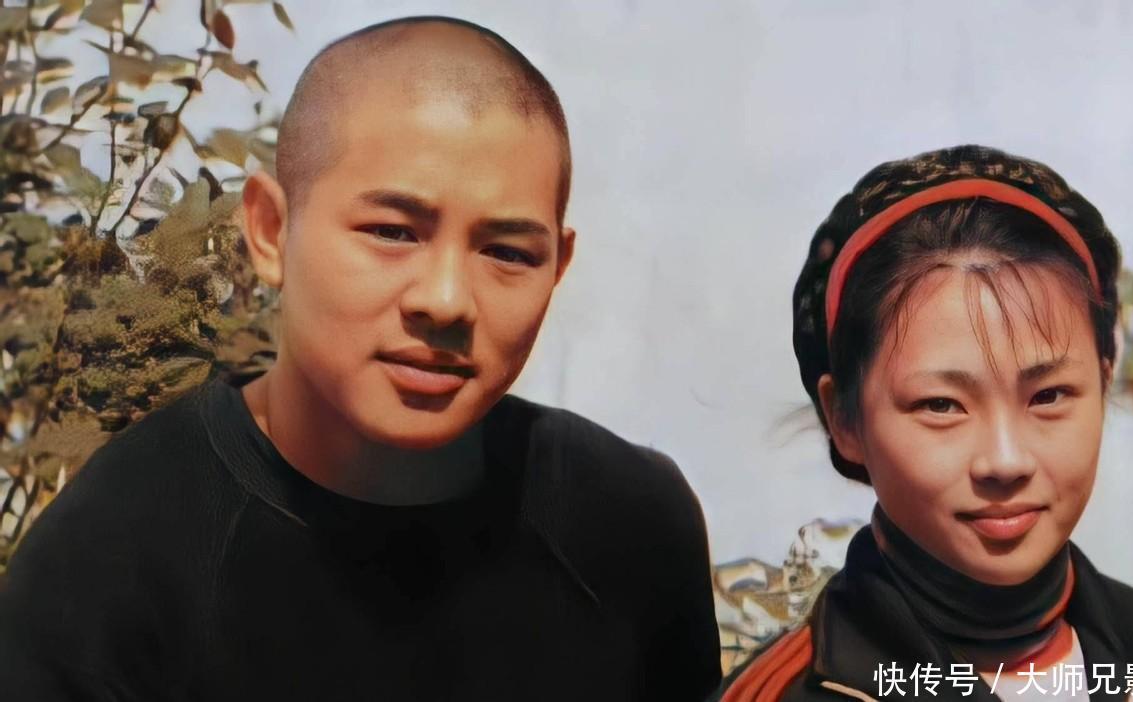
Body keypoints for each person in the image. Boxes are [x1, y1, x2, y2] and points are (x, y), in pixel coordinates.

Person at [0, 17, 721, 701]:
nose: (447, 301)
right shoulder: (116, 556)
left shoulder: (630, 525)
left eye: (507, 252)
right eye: (393, 232)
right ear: (271, 231)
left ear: (558, 266)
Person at [716, 145, 1133, 701]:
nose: (1006, 461)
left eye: (1048, 396)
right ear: (843, 417)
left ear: (1105, 380)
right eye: (942, 405)